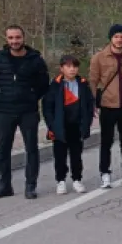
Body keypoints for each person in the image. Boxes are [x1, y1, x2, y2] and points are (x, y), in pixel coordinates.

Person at [0, 25, 49, 199]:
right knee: (3, 149)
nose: (14, 41)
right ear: (7, 39)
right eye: (11, 38)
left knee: (31, 149)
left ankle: (30, 186)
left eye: (18, 37)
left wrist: (31, 96)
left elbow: (44, 83)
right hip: (4, 111)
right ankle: (5, 186)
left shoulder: (35, 59)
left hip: (28, 111)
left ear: (23, 38)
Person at [90, 24, 122, 188]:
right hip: (107, 105)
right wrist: (92, 103)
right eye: (116, 37)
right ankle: (105, 172)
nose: (119, 40)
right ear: (111, 38)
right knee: (106, 141)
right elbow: (93, 81)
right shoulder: (99, 57)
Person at [43, 55, 94, 194]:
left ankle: (77, 179)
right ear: (62, 68)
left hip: (77, 126)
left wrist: (87, 123)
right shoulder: (55, 85)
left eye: (75, 66)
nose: (72, 69)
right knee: (60, 155)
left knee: (76, 155)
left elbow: (89, 104)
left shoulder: (83, 84)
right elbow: (47, 107)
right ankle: (61, 181)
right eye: (68, 66)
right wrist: (52, 125)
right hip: (60, 126)